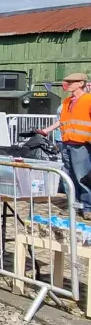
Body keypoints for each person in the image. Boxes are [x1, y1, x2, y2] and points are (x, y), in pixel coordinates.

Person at [41, 73, 91, 221]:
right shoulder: (68, 101)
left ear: (81, 83)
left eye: (71, 82)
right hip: (66, 144)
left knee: (82, 177)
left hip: (81, 145)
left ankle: (88, 207)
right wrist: (46, 130)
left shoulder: (88, 100)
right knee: (67, 177)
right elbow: (62, 122)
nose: (67, 84)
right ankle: (72, 206)